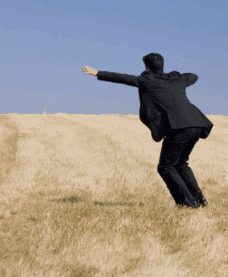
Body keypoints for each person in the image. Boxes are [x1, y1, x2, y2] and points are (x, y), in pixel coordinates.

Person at [82, 53, 212, 208]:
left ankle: (188, 204)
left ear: (147, 67)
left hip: (179, 127)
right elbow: (193, 76)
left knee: (166, 167)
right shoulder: (176, 79)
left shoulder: (147, 80)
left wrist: (97, 73)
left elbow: (124, 78)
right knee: (181, 164)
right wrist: (177, 75)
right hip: (197, 123)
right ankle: (200, 200)